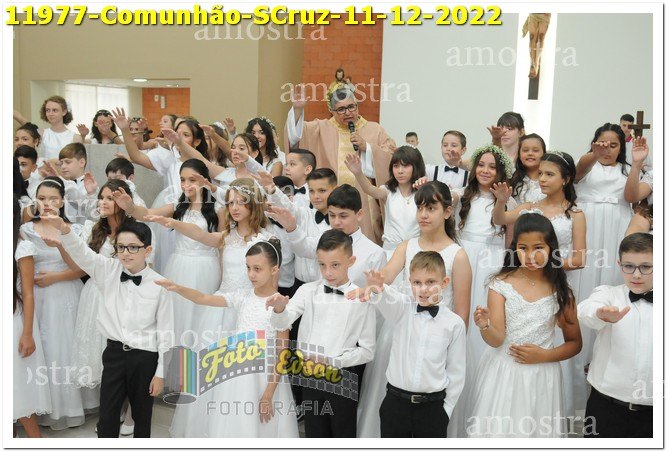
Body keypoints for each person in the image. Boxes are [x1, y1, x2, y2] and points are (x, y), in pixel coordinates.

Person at [353, 182, 472, 438]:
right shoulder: (407, 246)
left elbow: (462, 314)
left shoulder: (458, 255)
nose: (423, 215)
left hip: (438, 340)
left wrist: (446, 348)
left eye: (431, 208)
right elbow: (385, 276)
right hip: (404, 329)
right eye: (420, 208)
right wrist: (372, 285)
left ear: (447, 212)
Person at [155, 238, 299, 437]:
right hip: (237, 372)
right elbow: (203, 298)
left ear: (274, 269)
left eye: (257, 269)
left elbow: (282, 353)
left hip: (265, 378)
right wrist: (178, 287)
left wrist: (268, 394)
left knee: (260, 427)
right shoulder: (242, 296)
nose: (251, 274)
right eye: (248, 267)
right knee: (233, 423)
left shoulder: (280, 306)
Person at [44, 217, 173, 438]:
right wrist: (65, 230)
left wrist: (160, 374)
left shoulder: (160, 285)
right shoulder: (108, 270)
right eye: (121, 247)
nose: (126, 253)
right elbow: (83, 254)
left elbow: (166, 333)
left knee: (142, 417)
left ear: (147, 250)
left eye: (133, 247)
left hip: (145, 358)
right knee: (107, 416)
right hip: (114, 354)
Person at [466, 213, 582, 437]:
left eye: (538, 248)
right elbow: (496, 339)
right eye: (523, 248)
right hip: (503, 373)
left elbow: (575, 343)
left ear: (551, 248)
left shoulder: (561, 292)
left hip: (541, 376)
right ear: (514, 248)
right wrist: (484, 326)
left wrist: (544, 355)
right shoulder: (500, 284)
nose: (530, 256)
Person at [491, 151, 588, 418]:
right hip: (524, 281)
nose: (542, 179)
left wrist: (543, 263)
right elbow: (500, 220)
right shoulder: (529, 206)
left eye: (549, 174)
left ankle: (550, 402)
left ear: (565, 179)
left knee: (553, 336)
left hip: (555, 281)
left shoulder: (575, 214)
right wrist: (501, 202)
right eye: (541, 174)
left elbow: (579, 258)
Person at [267, 229, 376, 437]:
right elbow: (283, 322)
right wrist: (280, 309)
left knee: (343, 435)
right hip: (309, 375)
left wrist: (334, 361)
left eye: (335, 265)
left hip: (343, 378)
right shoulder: (307, 291)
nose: (328, 272)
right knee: (314, 434)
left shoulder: (362, 299)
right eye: (322, 265)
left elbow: (368, 351)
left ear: (351, 261)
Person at [111, 159, 223, 349]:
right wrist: (130, 208)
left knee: (202, 314)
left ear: (204, 180)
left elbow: (222, 244)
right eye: (182, 180)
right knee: (176, 312)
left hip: (207, 267)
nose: (186, 185)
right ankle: (176, 360)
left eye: (192, 180)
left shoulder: (218, 209)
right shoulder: (178, 205)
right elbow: (148, 214)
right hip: (179, 265)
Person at [353, 252, 466, 437]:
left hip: (432, 409)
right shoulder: (402, 308)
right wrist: (378, 287)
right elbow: (386, 298)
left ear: (444, 282)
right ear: (410, 282)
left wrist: (445, 411)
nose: (423, 289)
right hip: (395, 404)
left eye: (430, 282)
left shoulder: (454, 324)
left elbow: (456, 372)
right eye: (417, 282)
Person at [20, 177, 92, 430]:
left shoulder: (75, 230)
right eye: (41, 199)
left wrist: (55, 277)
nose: (47, 203)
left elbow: (84, 268)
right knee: (43, 349)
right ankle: (38, 405)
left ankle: (69, 406)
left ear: (62, 201)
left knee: (66, 347)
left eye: (53, 199)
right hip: (35, 297)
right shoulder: (26, 229)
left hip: (67, 293)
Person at [285, 84, 396, 243]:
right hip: (332, 201)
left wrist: (367, 147)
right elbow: (296, 137)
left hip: (365, 201)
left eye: (351, 107)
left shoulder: (375, 129)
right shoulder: (321, 128)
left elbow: (391, 157)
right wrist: (297, 110)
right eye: (341, 109)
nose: (348, 112)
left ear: (357, 106)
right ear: (332, 110)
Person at [578, 233, 653, 438]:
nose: (636, 275)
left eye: (646, 267)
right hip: (606, 409)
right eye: (629, 266)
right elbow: (585, 310)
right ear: (619, 265)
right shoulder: (608, 294)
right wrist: (600, 314)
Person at [452, 145, 516, 366]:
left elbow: (510, 241)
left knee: (481, 305)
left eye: (492, 167)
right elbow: (445, 200)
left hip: (491, 260)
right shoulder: (462, 195)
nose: (485, 171)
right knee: (460, 305)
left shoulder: (508, 201)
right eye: (481, 165)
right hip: (463, 257)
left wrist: (508, 269)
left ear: (500, 172)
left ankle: (480, 361)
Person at [266, 184, 387, 288]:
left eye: (343, 216)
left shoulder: (375, 253)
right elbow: (303, 248)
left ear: (359, 214)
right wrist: (291, 228)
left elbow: (379, 295)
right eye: (332, 215)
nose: (336, 222)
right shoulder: (323, 239)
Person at [574, 123, 632, 299]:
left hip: (618, 223)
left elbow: (633, 197)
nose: (607, 150)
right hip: (588, 222)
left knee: (611, 265)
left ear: (621, 148)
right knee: (587, 264)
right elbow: (578, 171)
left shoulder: (627, 170)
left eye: (613, 145)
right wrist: (594, 154)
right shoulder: (587, 165)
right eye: (602, 145)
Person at [13, 196, 51, 438]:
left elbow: (28, 292)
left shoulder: (21, 246)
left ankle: (36, 440)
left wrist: (27, 334)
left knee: (17, 384)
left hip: (14, 319)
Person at [345, 146, 425, 260]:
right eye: (396, 166)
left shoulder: (423, 191)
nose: (400, 171)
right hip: (391, 251)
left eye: (405, 166)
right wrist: (358, 173)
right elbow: (369, 189)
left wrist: (425, 191)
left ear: (416, 166)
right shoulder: (387, 191)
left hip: (416, 252)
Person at [14, 96, 84, 160]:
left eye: (55, 110)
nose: (50, 114)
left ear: (64, 112)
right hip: (43, 169)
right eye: (48, 110)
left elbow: (78, 162)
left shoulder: (76, 137)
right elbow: (23, 121)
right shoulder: (42, 133)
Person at [508, 134, 547, 203]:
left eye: (535, 150)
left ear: (544, 154)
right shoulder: (511, 178)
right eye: (525, 150)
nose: (530, 153)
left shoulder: (550, 180)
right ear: (519, 155)